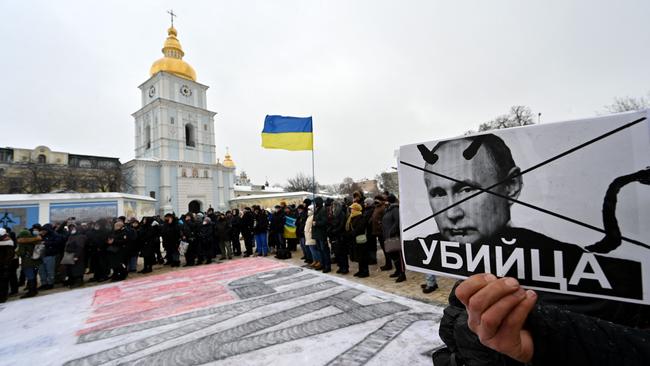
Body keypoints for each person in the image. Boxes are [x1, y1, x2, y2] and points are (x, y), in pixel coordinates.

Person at [411, 134, 649, 364]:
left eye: (467, 190)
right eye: (439, 193)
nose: (453, 213)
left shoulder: (611, 281)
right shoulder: (447, 261)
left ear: (512, 186)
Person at [382, 194, 405, 282]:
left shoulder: (395, 209)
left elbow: (397, 221)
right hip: (387, 236)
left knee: (398, 255)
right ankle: (398, 271)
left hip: (394, 236)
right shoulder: (388, 209)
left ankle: (402, 274)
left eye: (386, 200)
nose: (385, 202)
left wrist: (392, 231)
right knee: (393, 255)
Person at [16, 228, 42, 298]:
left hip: (27, 262)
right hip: (35, 261)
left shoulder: (22, 243)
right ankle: (34, 290)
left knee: (30, 276)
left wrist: (16, 252)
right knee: (34, 275)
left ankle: (31, 291)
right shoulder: (35, 241)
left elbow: (21, 253)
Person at [62, 224, 87, 288]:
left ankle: (79, 281)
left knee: (77, 269)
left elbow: (80, 247)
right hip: (69, 255)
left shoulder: (80, 237)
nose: (72, 230)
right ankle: (72, 281)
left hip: (76, 255)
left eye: (74, 229)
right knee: (70, 269)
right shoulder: (71, 236)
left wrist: (76, 256)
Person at [312, 197, 331, 273]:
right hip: (317, 234)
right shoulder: (317, 210)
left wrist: (316, 223)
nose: (314, 204)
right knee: (320, 250)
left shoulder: (323, 210)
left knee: (324, 251)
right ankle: (322, 264)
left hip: (321, 234)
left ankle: (327, 266)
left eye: (315, 202)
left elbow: (325, 221)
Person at [0, 228, 14, 302]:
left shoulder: (8, 242)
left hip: (4, 265)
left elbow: (9, 255)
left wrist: (6, 264)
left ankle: (2, 297)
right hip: (3, 264)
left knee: (3, 282)